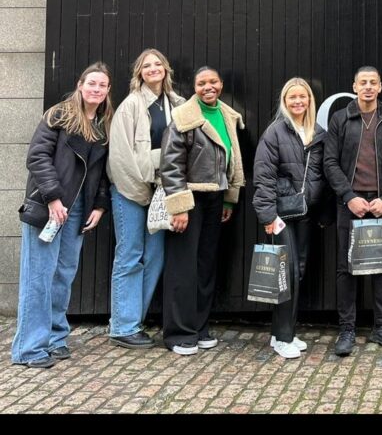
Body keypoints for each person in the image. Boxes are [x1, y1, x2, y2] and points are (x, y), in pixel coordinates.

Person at [11, 63, 113, 368]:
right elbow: (37, 157)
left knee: (63, 276)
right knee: (38, 277)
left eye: (103, 85)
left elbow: (101, 173)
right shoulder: (59, 115)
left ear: (108, 91)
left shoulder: (102, 126)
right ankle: (29, 349)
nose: (96, 89)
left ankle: (55, 338)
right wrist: (53, 198)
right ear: (80, 85)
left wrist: (99, 205)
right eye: (91, 83)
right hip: (49, 208)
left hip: (78, 211)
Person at [324, 67, 382, 357]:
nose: (368, 87)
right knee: (346, 268)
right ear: (354, 86)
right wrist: (349, 197)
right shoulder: (341, 119)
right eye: (363, 82)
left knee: (381, 266)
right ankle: (347, 329)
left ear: (380, 87)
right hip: (350, 206)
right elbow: (330, 163)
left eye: (373, 82)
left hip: (381, 205)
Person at [160, 66, 245, 356]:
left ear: (221, 84)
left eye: (213, 82)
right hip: (191, 199)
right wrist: (180, 207)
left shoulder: (227, 116)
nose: (208, 87)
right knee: (182, 267)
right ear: (194, 86)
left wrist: (229, 199)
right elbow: (170, 166)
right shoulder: (183, 117)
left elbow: (233, 159)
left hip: (215, 200)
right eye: (201, 83)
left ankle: (199, 327)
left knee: (206, 266)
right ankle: (178, 334)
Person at [106, 49, 186, 349]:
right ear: (139, 72)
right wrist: (142, 192)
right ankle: (122, 325)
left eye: (158, 64)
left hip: (162, 193)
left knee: (155, 257)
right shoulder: (131, 105)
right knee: (130, 255)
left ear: (166, 69)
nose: (153, 69)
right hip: (131, 192)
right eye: (147, 65)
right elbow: (121, 157)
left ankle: (133, 322)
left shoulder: (177, 104)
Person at [253, 78, 326, 359]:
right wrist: (268, 216)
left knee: (299, 272)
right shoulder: (275, 132)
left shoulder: (317, 132)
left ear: (309, 100)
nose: (298, 102)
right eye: (292, 98)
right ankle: (284, 337)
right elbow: (263, 176)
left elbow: (320, 174)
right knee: (286, 274)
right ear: (284, 101)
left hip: (305, 213)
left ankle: (280, 334)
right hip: (281, 214)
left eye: (302, 97)